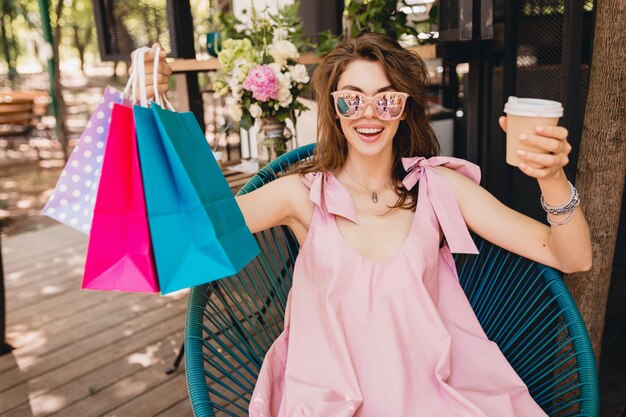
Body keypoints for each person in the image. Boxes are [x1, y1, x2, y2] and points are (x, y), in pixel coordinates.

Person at [140, 33, 592, 416]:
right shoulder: (299, 194)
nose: (368, 113)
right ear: (334, 109)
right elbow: (182, 235)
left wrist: (551, 179)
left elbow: (570, 256)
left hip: (433, 396)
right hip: (329, 399)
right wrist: (148, 110)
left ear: (406, 108)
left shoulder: (440, 187)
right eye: (351, 99)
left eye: (386, 98)